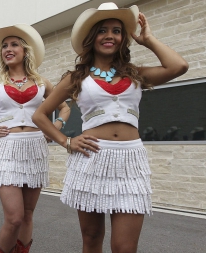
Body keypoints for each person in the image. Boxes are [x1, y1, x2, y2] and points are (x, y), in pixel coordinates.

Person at [32, 3, 188, 253]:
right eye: (103, 30)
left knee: (124, 247)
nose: (110, 36)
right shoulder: (76, 78)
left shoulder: (135, 74)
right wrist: (67, 142)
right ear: (91, 38)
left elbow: (178, 67)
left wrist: (148, 40)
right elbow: (39, 115)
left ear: (123, 39)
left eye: (116, 30)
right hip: (92, 158)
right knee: (92, 238)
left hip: (130, 161)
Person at [0, 24, 70, 253]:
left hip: (35, 149)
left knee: (28, 216)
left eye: (14, 45)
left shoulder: (43, 82)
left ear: (25, 50)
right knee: (14, 218)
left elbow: (65, 108)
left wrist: (55, 127)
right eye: (4, 46)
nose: (8, 49)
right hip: (6, 149)